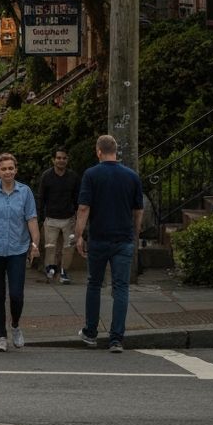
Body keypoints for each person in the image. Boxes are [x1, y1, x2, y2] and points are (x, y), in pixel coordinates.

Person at [74, 134, 144, 354]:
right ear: (116, 151)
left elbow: (84, 208)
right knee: (121, 287)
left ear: (98, 151)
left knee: (94, 284)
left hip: (99, 238)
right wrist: (135, 231)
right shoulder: (132, 176)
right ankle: (116, 339)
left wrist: (79, 235)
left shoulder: (92, 175)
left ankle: (91, 332)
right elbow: (138, 210)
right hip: (123, 238)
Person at [0, 152, 41, 352]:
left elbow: (32, 219)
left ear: (16, 169)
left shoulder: (25, 192)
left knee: (17, 294)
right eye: (4, 169)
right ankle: (1, 335)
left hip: (17, 249)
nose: (8, 172)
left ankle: (15, 325)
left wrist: (34, 244)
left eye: (11, 168)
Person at [38, 146, 81, 284]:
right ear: (53, 160)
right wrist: (40, 218)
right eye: (58, 158)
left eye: (64, 158)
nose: (61, 160)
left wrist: (78, 217)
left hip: (69, 218)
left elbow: (77, 198)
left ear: (67, 160)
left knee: (68, 247)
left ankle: (63, 272)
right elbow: (41, 198)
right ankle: (50, 272)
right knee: (50, 247)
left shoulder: (73, 177)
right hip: (51, 218)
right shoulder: (46, 176)